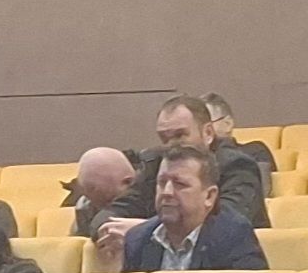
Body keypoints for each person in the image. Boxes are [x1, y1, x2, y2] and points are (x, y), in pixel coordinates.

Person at [97, 95, 270, 252]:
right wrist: (113, 230)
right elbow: (106, 216)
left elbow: (228, 224)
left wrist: (142, 231)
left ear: (208, 133)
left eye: (180, 135)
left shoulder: (237, 165)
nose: (171, 145)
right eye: (164, 138)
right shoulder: (156, 165)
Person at [102, 145, 268, 273]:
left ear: (209, 196)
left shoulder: (233, 236)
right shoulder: (138, 239)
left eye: (180, 184)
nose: (167, 192)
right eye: (162, 183)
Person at [71, 147, 138, 240]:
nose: (105, 211)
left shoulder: (153, 192)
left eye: (110, 201)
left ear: (129, 182)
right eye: (98, 206)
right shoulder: (85, 207)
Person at [202, 93, 278, 173]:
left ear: (228, 124)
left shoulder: (255, 152)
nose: (201, 130)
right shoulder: (194, 159)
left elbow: (263, 180)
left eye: (207, 123)